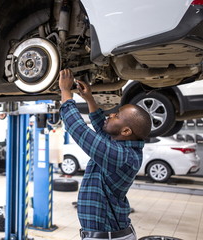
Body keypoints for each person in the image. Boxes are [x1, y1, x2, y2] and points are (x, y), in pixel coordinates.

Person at [58, 69, 152, 240]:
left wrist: (65, 92)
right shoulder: (122, 147)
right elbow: (104, 129)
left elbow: (79, 130)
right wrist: (89, 99)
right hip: (109, 235)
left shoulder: (121, 157)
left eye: (117, 115)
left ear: (126, 130)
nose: (111, 114)